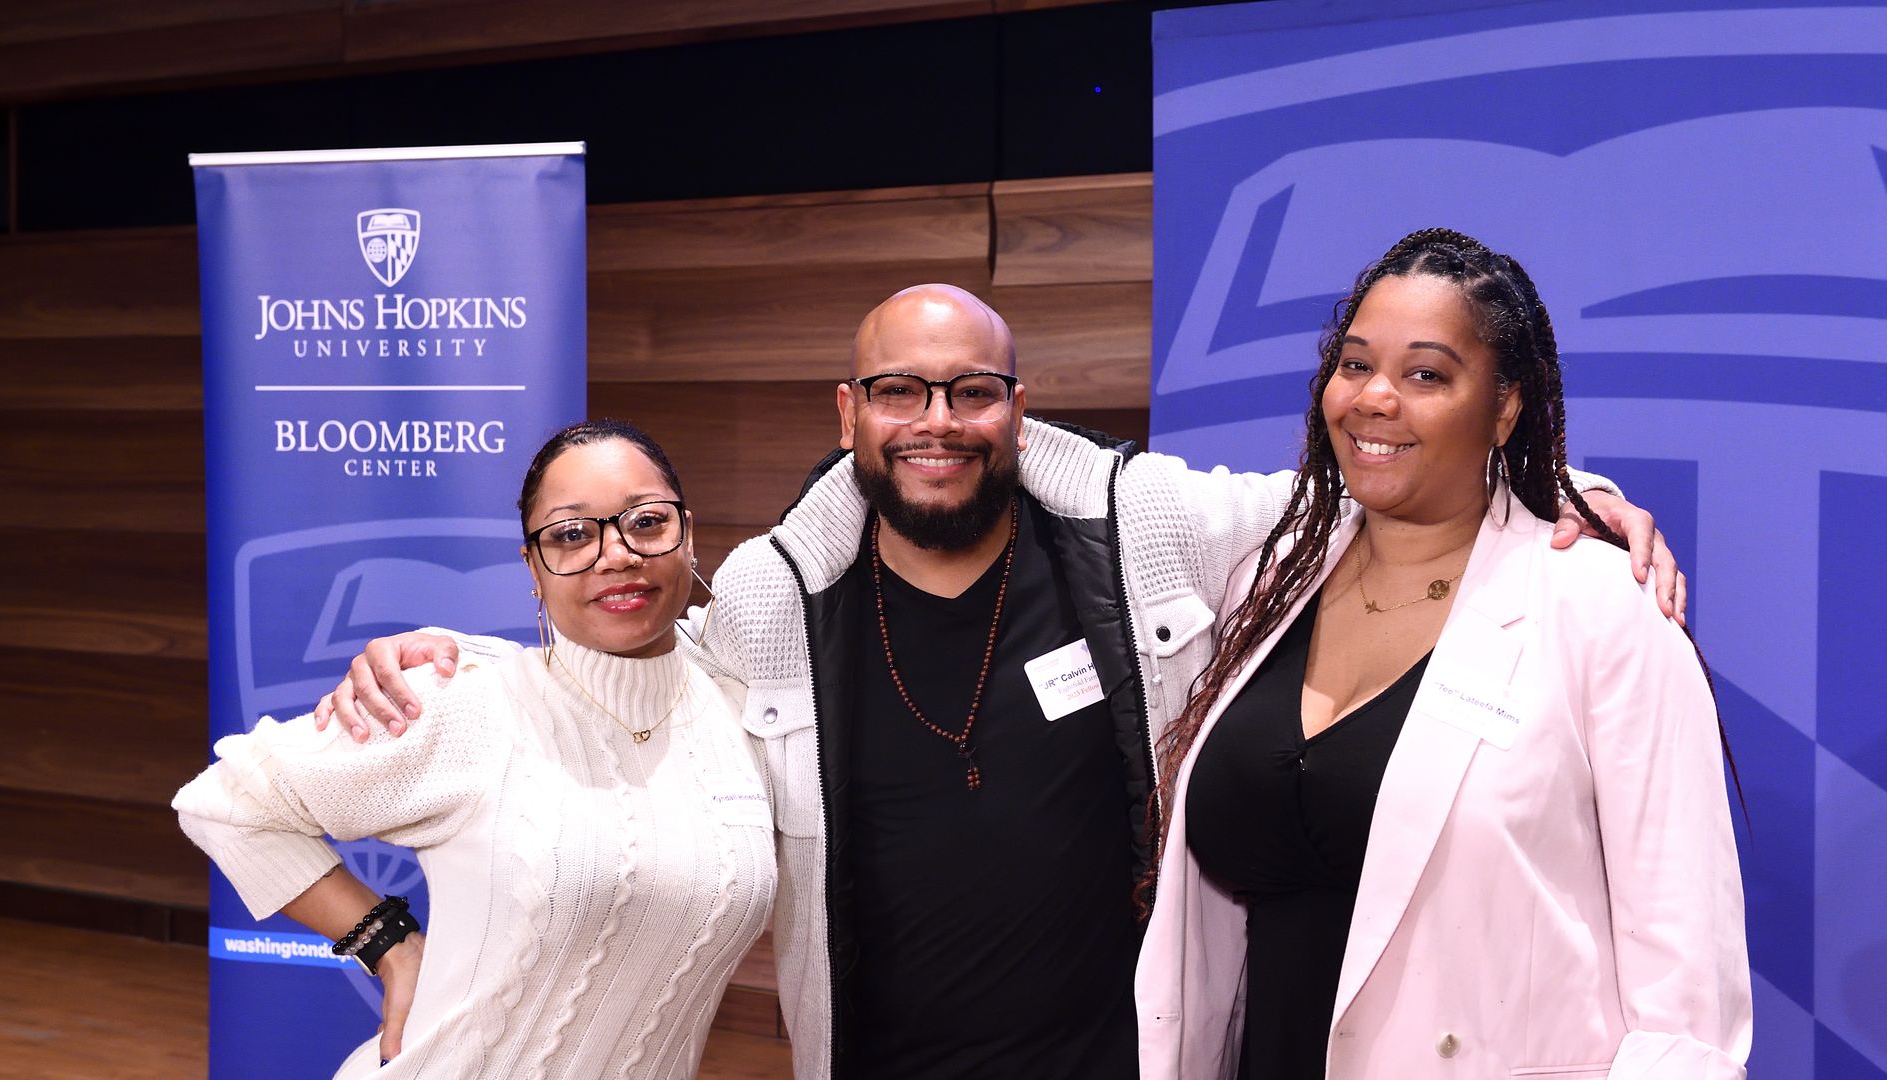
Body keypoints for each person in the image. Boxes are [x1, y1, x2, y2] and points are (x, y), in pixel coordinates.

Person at [318, 285, 1682, 1079]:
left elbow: (1359, 499)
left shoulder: (1140, 531)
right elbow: (620, 658)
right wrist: (452, 656)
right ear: (845, 414)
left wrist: (1570, 491)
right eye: (901, 393)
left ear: (1016, 406)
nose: (938, 424)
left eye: (972, 391)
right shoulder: (766, 609)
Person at [1133, 230, 1750, 1080]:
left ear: (1503, 407)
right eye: (1353, 366)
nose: (1374, 398)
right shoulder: (1267, 583)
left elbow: (1687, 997)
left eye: (1426, 375)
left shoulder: (1603, 608)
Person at [173, 420, 776, 1079]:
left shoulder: (742, 710)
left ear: (687, 533)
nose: (616, 554)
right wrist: (391, 946)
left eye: (646, 521)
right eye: (571, 534)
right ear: (533, 569)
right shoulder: (471, 703)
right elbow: (225, 802)